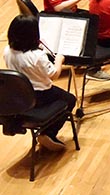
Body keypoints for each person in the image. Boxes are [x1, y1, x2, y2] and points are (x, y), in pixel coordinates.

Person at [4, 15, 77, 151]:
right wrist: (59, 60)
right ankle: (48, 133)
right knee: (70, 100)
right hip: (42, 95)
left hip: (21, 95)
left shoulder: (7, 51)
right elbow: (54, 75)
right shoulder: (38, 57)